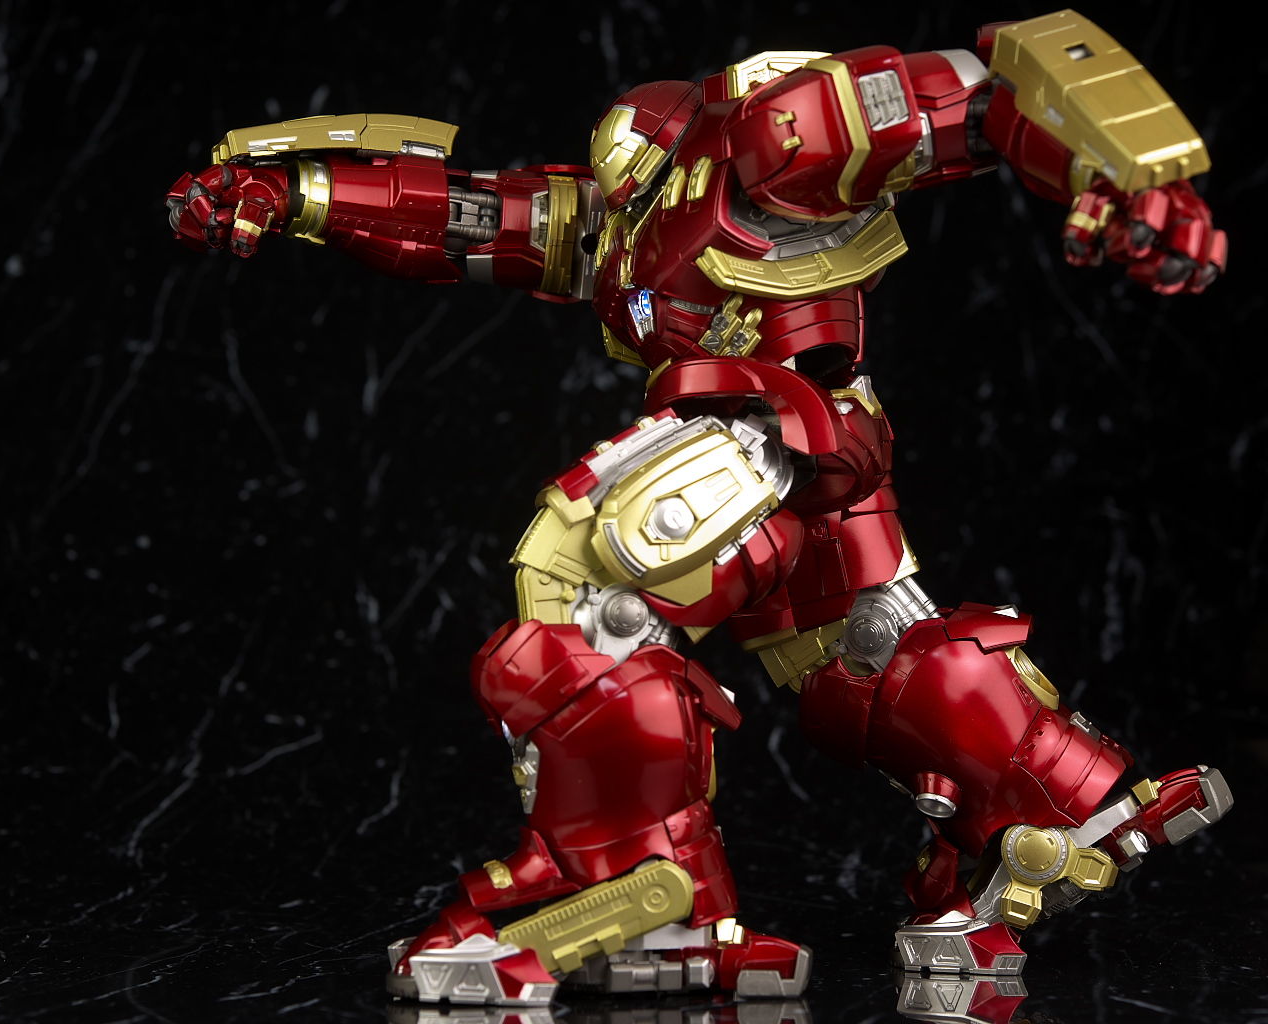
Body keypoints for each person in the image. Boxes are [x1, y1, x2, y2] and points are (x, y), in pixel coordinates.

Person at [166, 11, 1230, 1005]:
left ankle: (630, 877)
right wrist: (295, 192)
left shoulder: (776, 138)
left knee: (588, 569)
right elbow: (462, 218)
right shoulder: (622, 216)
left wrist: (1134, 176)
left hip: (777, 426)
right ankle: (1054, 804)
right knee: (864, 663)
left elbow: (984, 93)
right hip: (802, 457)